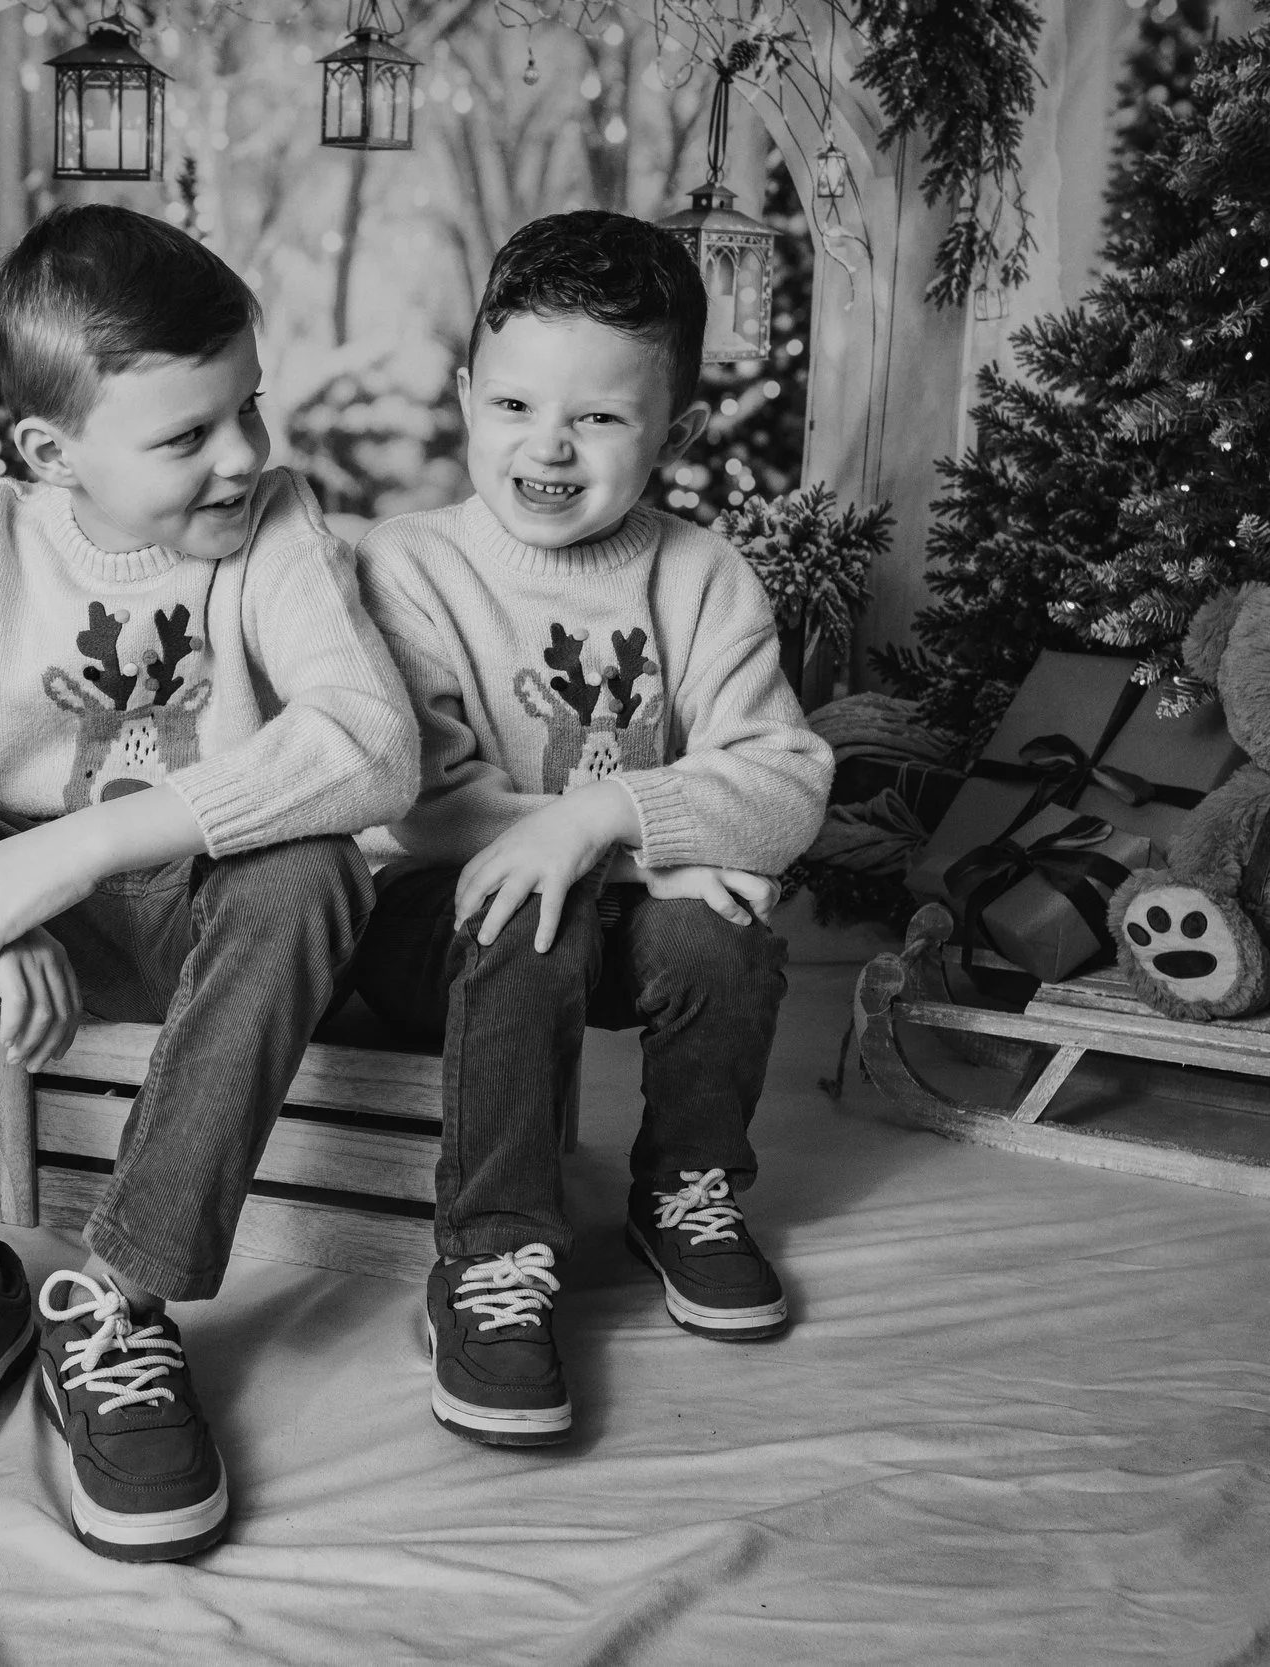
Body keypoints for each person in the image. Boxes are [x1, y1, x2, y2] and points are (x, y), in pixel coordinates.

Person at [0, 204, 416, 1561]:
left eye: (247, 409)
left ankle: (119, 1302)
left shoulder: (275, 525)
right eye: (184, 436)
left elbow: (373, 744)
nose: (240, 455)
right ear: (53, 451)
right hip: (19, 911)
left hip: (197, 912)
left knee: (314, 867)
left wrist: (74, 848)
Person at [348, 210, 831, 1447]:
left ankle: (687, 1189)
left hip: (623, 902)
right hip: (448, 915)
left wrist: (615, 815)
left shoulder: (702, 575)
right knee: (533, 910)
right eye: (513, 406)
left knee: (718, 938)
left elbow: (783, 780)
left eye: (600, 418)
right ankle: (493, 1255)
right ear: (464, 397)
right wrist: (646, 834)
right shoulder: (408, 566)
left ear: (676, 431)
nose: (547, 448)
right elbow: (422, 792)